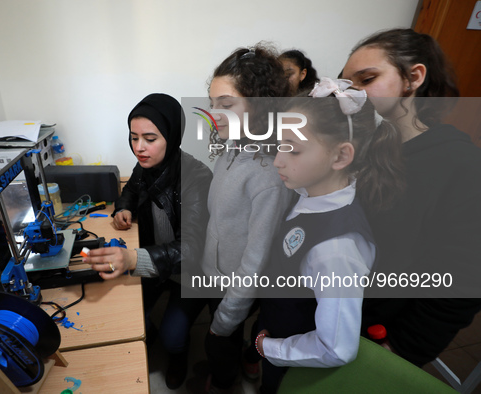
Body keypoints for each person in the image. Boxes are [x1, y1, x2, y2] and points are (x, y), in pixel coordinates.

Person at [254, 77, 404, 393]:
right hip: (279, 324)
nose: (278, 160)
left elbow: (337, 347)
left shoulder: (336, 251)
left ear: (340, 157)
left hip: (295, 366)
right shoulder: (310, 190)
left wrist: (270, 349)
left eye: (292, 150)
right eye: (279, 145)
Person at [341, 28, 481, 367]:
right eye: (347, 85)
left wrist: (402, 350)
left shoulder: (459, 163)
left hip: (378, 332)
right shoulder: (363, 146)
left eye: (367, 79)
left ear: (413, 77)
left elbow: (463, 279)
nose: (353, 95)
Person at [83, 93, 213, 389]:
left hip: (190, 273)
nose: (139, 148)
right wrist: (123, 207)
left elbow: (193, 250)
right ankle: (150, 334)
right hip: (156, 262)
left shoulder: (197, 177)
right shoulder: (145, 165)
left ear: (171, 136)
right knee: (123, 313)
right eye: (133, 137)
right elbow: (130, 188)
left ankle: (178, 355)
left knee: (173, 337)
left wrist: (132, 260)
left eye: (150, 138)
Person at [190, 44, 292, 394]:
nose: (214, 113)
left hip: (236, 289)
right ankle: (241, 362)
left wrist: (226, 318)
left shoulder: (269, 174)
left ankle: (224, 381)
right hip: (215, 276)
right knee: (226, 343)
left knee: (218, 343)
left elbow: (256, 259)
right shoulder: (232, 147)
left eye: (227, 103)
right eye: (213, 102)